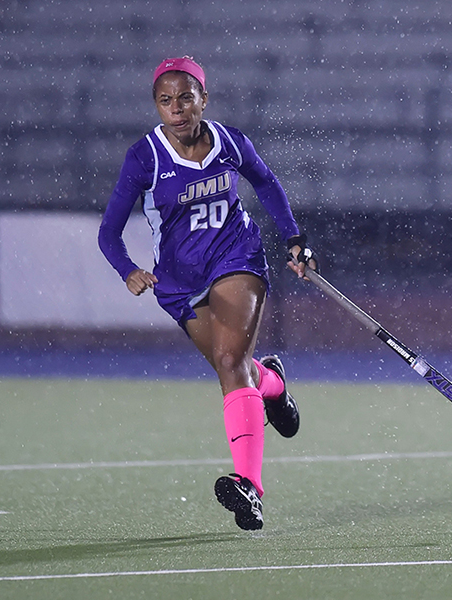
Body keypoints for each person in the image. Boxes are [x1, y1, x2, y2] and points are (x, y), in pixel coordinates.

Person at [97, 56, 318, 531]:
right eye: (164, 101)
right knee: (233, 365)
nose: (175, 109)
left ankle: (249, 487)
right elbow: (108, 234)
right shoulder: (145, 157)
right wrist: (127, 270)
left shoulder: (230, 142)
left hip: (236, 256)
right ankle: (272, 384)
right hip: (177, 281)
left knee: (228, 364)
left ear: (203, 99)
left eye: (185, 98)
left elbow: (267, 183)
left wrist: (294, 238)